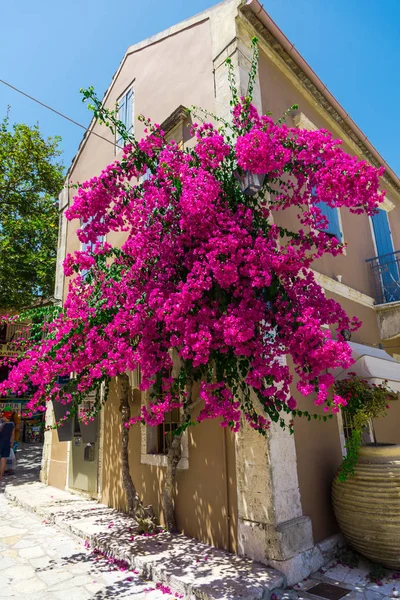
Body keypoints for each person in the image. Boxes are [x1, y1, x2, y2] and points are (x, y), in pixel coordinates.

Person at [0, 412, 15, 481]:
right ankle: (0, 476)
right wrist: (12, 443)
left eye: (3, 417)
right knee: (4, 459)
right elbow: (12, 435)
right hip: (7, 443)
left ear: (6, 417)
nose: (2, 418)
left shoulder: (2, 425)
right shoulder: (12, 424)